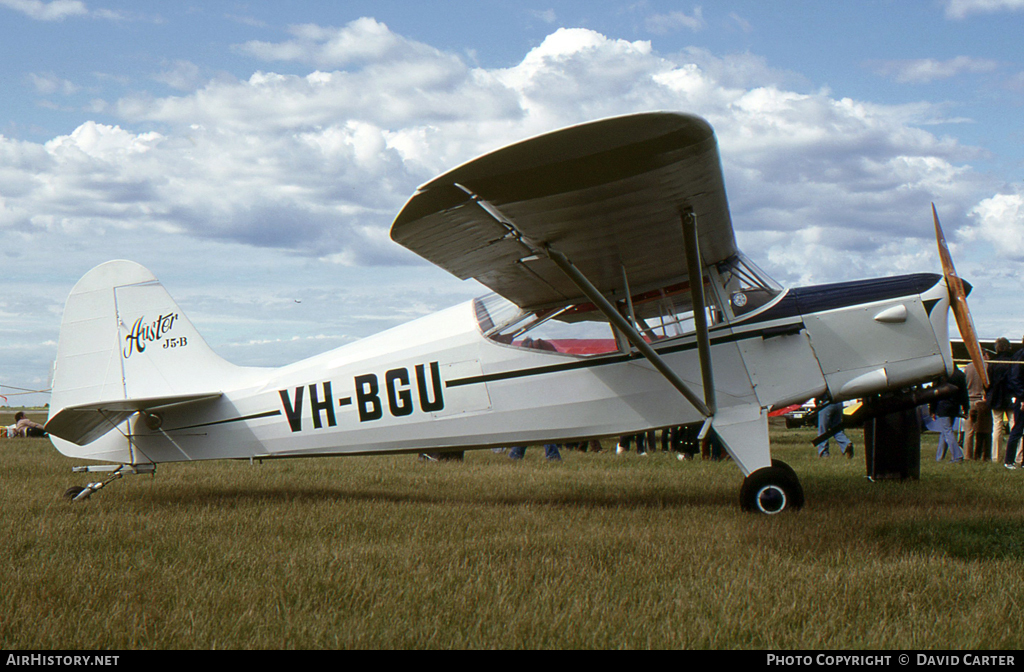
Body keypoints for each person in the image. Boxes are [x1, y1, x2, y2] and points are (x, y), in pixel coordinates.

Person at [931, 365, 969, 463]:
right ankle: (939, 458)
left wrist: (932, 409)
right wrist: (965, 408)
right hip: (955, 406)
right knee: (945, 431)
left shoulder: (940, 375)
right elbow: (964, 393)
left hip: (942, 406)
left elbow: (935, 393)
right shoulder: (960, 375)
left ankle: (957, 456)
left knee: (947, 431)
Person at [986, 338, 1015, 463]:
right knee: (1014, 425)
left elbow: (987, 382)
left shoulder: (992, 363)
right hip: (1011, 396)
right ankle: (1015, 456)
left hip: (996, 397)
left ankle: (995, 457)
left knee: (996, 427)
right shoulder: (1014, 361)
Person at [1001, 337, 1024, 470]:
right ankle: (1009, 461)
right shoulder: (1020, 356)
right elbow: (1015, 379)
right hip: (1021, 400)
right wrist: (1022, 397)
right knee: (1017, 430)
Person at [964, 351, 992, 460]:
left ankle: (967, 455)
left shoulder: (968, 367)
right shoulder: (987, 367)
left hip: (969, 400)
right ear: (983, 355)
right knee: (984, 430)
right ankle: (984, 454)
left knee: (969, 431)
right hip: (982, 402)